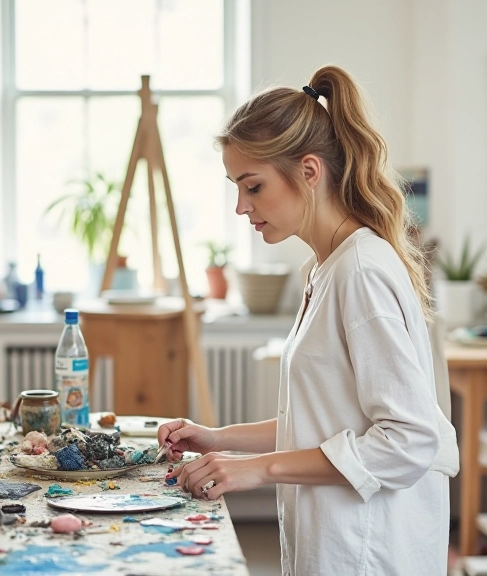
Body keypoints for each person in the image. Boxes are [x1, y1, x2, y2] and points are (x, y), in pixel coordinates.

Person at [157, 65, 460, 575]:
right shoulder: (325, 269)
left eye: (252, 186)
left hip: (370, 550)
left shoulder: (360, 272)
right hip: (333, 540)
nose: (240, 206)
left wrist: (257, 470)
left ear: (309, 171)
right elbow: (326, 420)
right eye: (236, 187)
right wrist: (219, 436)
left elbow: (408, 439)